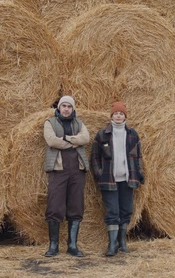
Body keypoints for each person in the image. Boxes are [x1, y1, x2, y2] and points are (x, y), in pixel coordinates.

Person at [90, 101, 144, 256]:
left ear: (125, 116)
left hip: (128, 179)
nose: (118, 116)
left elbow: (139, 156)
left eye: (121, 113)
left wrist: (139, 172)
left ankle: (122, 241)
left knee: (126, 210)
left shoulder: (133, 134)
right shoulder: (103, 134)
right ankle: (112, 244)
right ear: (111, 116)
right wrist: (99, 174)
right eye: (116, 113)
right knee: (112, 211)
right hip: (109, 179)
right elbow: (94, 157)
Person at [43, 95, 90, 257]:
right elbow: (51, 141)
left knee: (76, 205)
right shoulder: (50, 123)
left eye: (69, 106)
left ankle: (72, 245)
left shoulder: (79, 123)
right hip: (58, 169)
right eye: (63, 106)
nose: (66, 109)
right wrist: (73, 143)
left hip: (77, 169)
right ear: (59, 108)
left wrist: (65, 139)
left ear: (73, 109)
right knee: (54, 205)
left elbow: (86, 138)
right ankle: (53, 246)